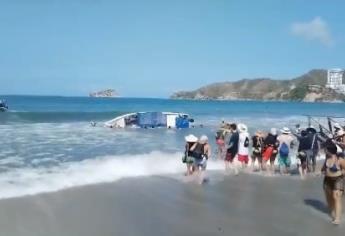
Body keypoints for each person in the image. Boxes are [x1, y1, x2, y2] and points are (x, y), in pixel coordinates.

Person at [322, 142, 345, 225]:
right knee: (329, 199)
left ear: (329, 150)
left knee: (336, 197)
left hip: (338, 179)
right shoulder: (326, 158)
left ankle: (337, 218)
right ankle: (333, 211)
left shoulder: (340, 159)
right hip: (327, 179)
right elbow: (324, 168)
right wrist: (321, 171)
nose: (324, 150)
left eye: (325, 149)